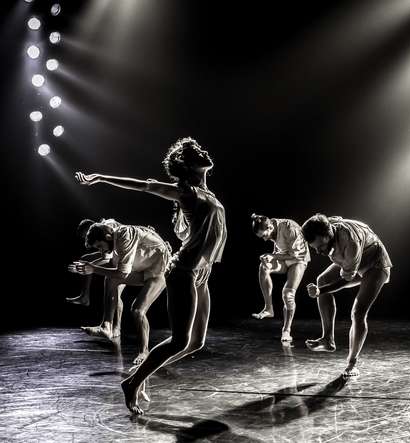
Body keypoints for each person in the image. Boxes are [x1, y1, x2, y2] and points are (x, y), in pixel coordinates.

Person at [75, 137, 227, 414]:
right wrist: (101, 177)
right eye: (197, 152)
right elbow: (145, 186)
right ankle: (133, 383)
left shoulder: (208, 194)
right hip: (183, 271)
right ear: (187, 165)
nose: (204, 151)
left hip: (201, 273)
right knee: (180, 340)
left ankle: (140, 375)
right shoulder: (186, 192)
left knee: (196, 343)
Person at [301, 214, 392, 378]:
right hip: (357, 261)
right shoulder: (328, 225)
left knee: (358, 312)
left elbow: (345, 280)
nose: (318, 251)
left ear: (328, 235)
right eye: (314, 248)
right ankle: (328, 339)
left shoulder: (350, 242)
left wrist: (320, 291)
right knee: (322, 280)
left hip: (376, 265)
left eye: (320, 246)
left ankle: (352, 364)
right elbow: (332, 218)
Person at [69, 221, 170, 365]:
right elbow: (109, 263)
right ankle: (107, 326)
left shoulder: (124, 236)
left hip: (160, 271)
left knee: (137, 310)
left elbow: (122, 273)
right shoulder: (113, 238)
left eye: (100, 246)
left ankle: (144, 351)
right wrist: (86, 267)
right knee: (110, 279)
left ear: (108, 237)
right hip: (143, 270)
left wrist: (93, 268)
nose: (101, 250)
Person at [250, 214, 310, 342]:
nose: (265, 239)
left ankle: (286, 331)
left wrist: (273, 256)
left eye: (264, 235)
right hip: (284, 257)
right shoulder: (272, 227)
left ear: (270, 227)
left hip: (298, 260)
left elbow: (294, 256)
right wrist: (269, 258)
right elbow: (280, 250)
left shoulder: (289, 228)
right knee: (263, 267)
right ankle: (268, 308)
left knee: (288, 294)